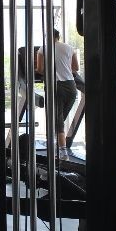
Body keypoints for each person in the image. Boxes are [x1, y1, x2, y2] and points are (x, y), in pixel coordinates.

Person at [34, 28, 79, 158]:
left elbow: (40, 69)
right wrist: (64, 68)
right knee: (59, 120)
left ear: (47, 37)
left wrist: (37, 69)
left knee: (57, 121)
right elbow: (75, 68)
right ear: (58, 37)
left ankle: (63, 152)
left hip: (55, 86)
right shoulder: (69, 48)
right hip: (71, 87)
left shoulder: (43, 49)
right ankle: (57, 145)